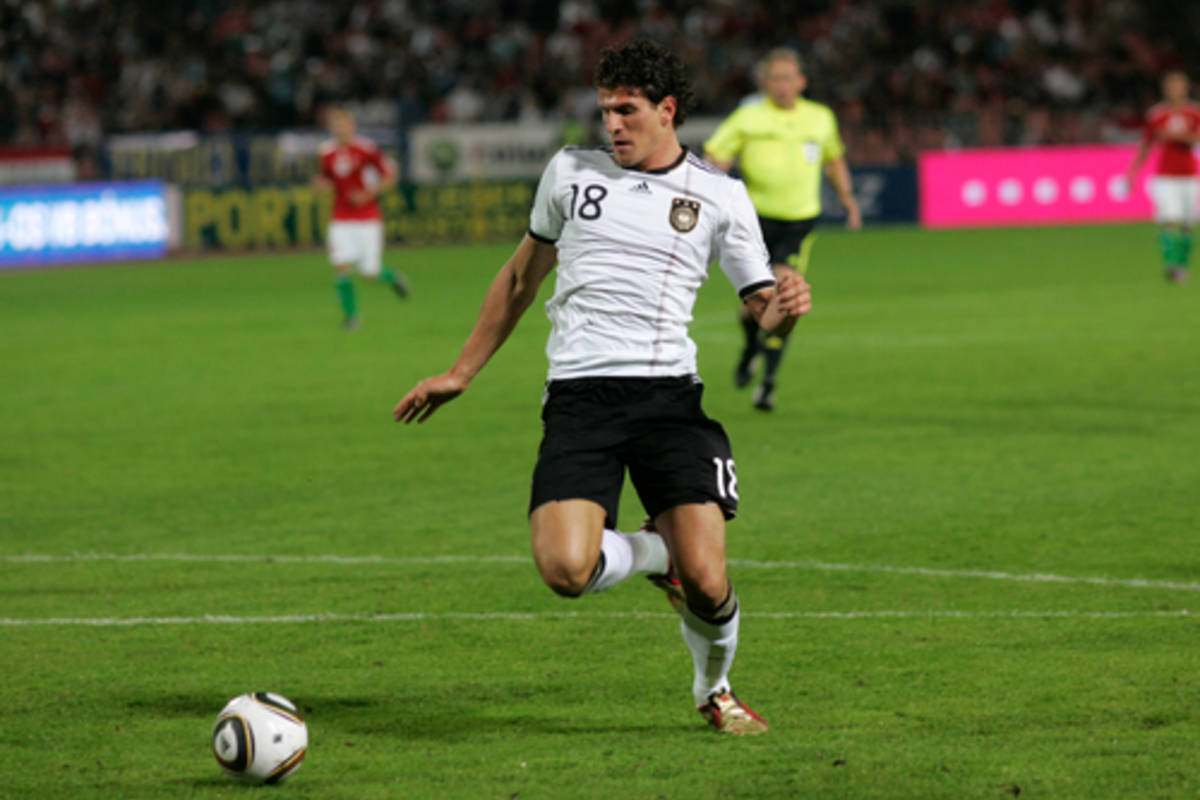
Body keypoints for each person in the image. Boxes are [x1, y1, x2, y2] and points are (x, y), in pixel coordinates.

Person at [394, 39, 811, 735]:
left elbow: (760, 305)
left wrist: (785, 308)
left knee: (709, 582)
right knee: (565, 569)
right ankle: (654, 553)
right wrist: (461, 371)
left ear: (666, 111)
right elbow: (521, 277)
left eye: (627, 111)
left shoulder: (718, 195)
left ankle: (715, 691)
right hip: (580, 398)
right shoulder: (569, 172)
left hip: (669, 399)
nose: (612, 125)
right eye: (605, 111)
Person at [704, 48, 859, 411]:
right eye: (775, 78)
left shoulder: (820, 118)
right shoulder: (749, 118)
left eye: (788, 78)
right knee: (753, 307)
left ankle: (768, 384)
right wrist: (713, 184)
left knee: (784, 294)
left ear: (801, 81)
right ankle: (749, 348)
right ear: (765, 83)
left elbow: (834, 159)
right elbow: (717, 155)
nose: (782, 85)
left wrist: (848, 199)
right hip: (754, 222)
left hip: (798, 222)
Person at [313, 107, 410, 330]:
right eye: (337, 125)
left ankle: (394, 278)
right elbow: (327, 178)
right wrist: (322, 185)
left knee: (369, 273)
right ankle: (352, 318)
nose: (341, 129)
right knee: (342, 266)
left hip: (368, 217)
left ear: (352, 126)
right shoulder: (326, 153)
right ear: (332, 128)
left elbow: (390, 175)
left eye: (344, 124)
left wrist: (368, 193)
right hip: (340, 218)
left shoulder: (367, 150)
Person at [1124, 70, 1200, 284]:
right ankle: (1171, 266)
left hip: (1189, 175)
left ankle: (1182, 265)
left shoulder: (1194, 113)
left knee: (1188, 224)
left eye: (1179, 86)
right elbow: (1146, 145)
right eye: (1171, 86)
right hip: (1166, 176)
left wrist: (1175, 136)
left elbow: (1196, 139)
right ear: (1165, 90)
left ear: (1185, 88)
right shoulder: (1156, 115)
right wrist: (1132, 172)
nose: (1175, 90)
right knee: (1169, 219)